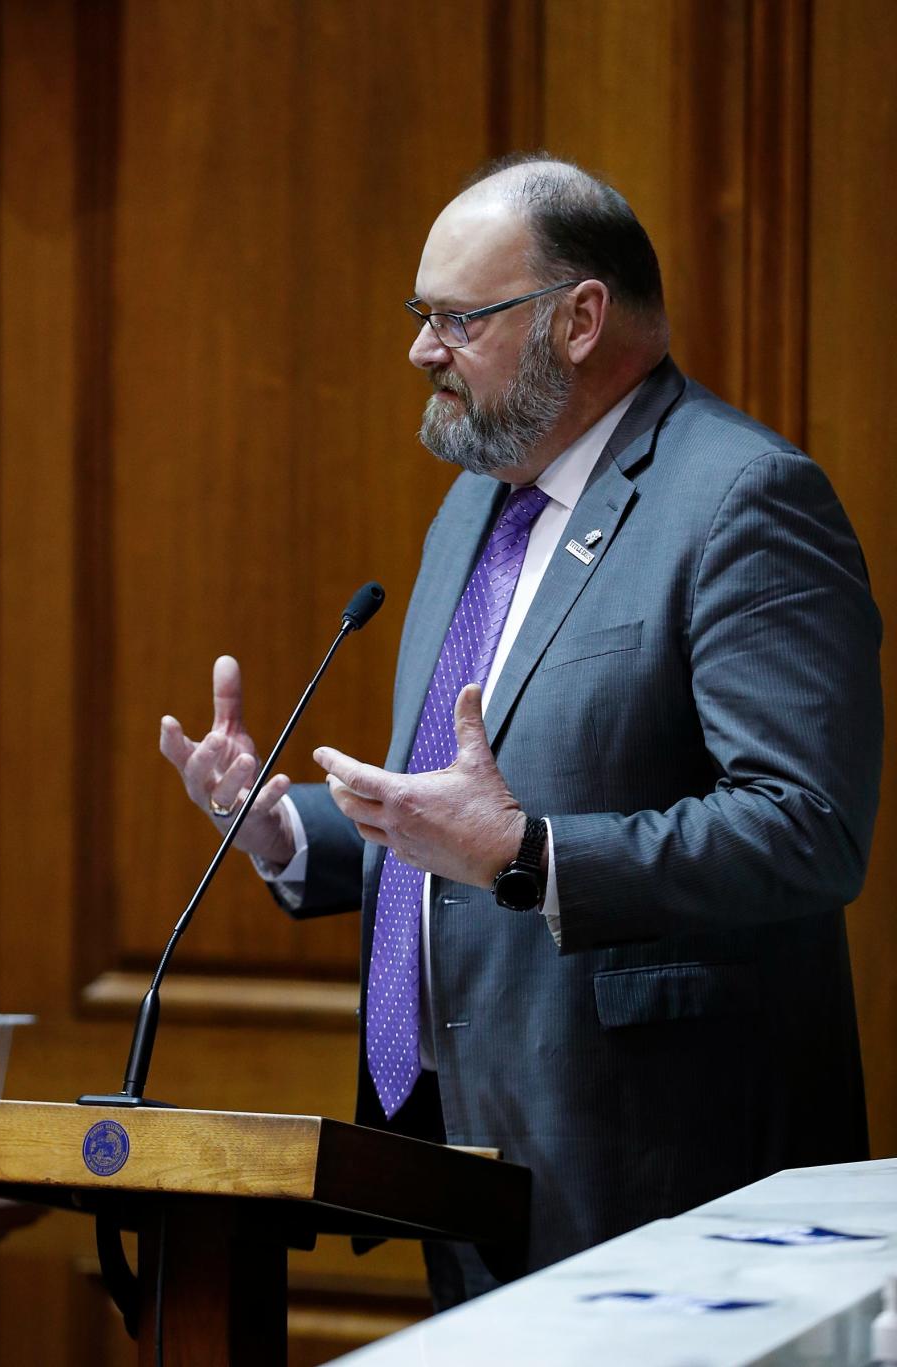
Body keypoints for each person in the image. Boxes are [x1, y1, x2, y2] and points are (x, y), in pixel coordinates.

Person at [160, 154, 883, 1307]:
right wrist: (285, 830)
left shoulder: (743, 498)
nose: (419, 350)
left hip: (665, 1179)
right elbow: (459, 819)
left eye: (456, 318)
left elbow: (808, 828)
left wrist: (531, 855)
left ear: (581, 318)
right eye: (420, 316)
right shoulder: (476, 511)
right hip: (467, 1162)